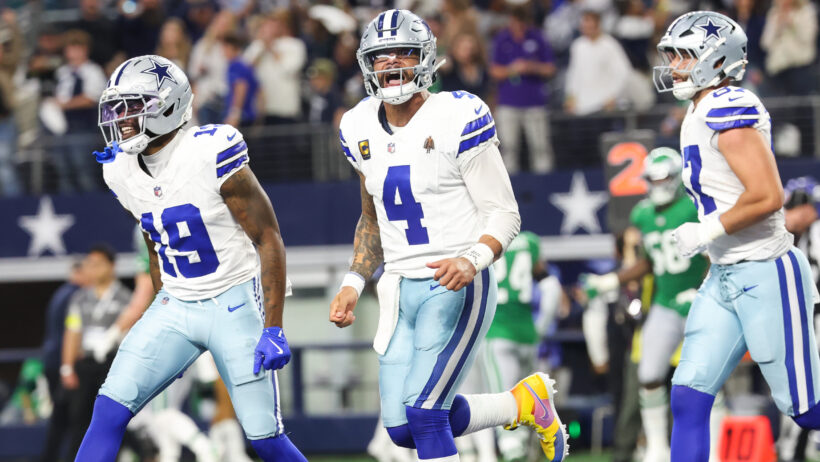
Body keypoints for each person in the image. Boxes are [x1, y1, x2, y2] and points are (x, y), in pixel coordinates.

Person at [329, 10, 567, 462]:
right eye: (381, 56)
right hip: (398, 287)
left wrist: (472, 258)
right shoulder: (357, 125)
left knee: (425, 413)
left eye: (403, 52)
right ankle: (522, 403)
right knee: (400, 428)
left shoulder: (458, 114)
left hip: (455, 281)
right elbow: (371, 217)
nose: (392, 63)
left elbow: (504, 212)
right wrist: (353, 281)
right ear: (366, 65)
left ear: (426, 59)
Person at [74, 54, 304, 461]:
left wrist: (274, 326)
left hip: (233, 301)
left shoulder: (210, 150)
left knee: (265, 439)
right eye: (118, 106)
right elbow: (153, 237)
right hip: (176, 304)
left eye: (134, 105)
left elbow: (268, 238)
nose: (121, 117)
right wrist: (163, 307)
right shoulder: (119, 170)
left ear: (168, 105)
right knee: (107, 413)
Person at [652, 11, 820, 462]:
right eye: (671, 55)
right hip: (726, 275)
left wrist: (707, 229)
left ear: (715, 58)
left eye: (683, 56)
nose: (673, 65)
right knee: (688, 397)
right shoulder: (697, 109)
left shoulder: (727, 106)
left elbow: (768, 196)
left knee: (808, 410)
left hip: (765, 271)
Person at [581, 148, 714, 462]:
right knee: (648, 376)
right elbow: (649, 262)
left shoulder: (693, 207)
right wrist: (612, 280)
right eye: (651, 179)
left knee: (709, 381)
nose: (657, 185)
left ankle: (716, 450)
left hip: (702, 302)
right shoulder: (642, 214)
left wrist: (705, 291)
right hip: (666, 303)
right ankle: (656, 448)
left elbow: (715, 254)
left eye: (662, 178)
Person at [61, 244, 133, 457]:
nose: (93, 269)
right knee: (79, 417)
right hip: (86, 363)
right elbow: (72, 332)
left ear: (111, 266)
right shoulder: (80, 298)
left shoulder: (126, 298)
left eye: (98, 264)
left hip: (113, 363)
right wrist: (67, 367)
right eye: (90, 264)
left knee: (113, 416)